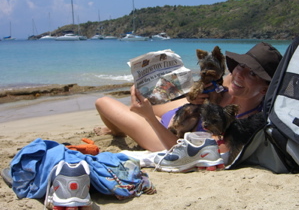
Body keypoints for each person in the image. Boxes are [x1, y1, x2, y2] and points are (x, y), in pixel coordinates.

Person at [94, 42, 282, 153]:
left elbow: (184, 153)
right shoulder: (231, 80)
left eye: (253, 74)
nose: (240, 75)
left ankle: (121, 129)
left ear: (265, 89)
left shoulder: (246, 124)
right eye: (242, 66)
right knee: (137, 98)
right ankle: (117, 130)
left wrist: (149, 118)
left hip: (166, 138)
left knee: (103, 102)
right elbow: (210, 82)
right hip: (180, 113)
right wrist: (195, 95)